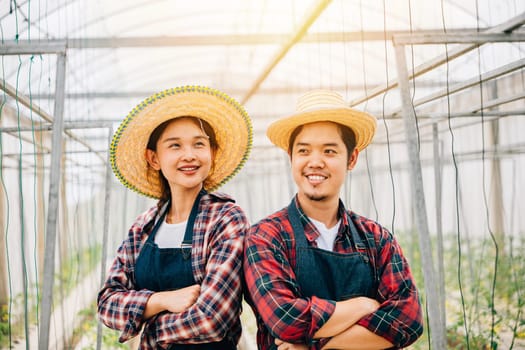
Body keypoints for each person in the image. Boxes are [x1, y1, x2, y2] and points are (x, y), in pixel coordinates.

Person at [243, 89, 423, 350]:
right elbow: (285, 320)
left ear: (352, 158)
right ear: (291, 158)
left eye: (329, 151)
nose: (315, 162)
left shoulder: (375, 238)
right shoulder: (266, 237)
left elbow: (408, 320)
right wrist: (362, 305)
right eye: (304, 151)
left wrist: (317, 345)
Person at [98, 85, 252, 349]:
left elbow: (212, 319)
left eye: (199, 144)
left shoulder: (226, 219)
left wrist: (147, 329)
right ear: (154, 158)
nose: (189, 155)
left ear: (212, 154)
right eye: (175, 146)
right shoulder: (144, 226)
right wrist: (160, 301)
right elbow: (107, 303)